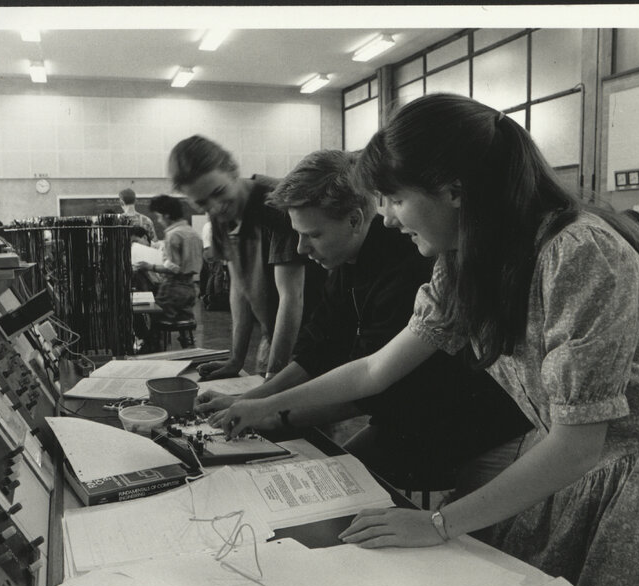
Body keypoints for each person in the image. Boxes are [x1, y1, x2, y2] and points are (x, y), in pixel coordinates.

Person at [209, 93, 639, 586]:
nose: (388, 218)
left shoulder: (577, 252)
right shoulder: (462, 260)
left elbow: (578, 444)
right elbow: (374, 369)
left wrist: (437, 523)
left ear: (454, 190)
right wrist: (263, 404)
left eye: (395, 199)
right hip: (594, 464)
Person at [196, 149, 533, 491]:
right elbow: (320, 347)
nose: (300, 249)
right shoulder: (347, 262)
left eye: (313, 235)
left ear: (356, 220)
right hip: (406, 417)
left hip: (470, 429)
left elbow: (371, 385)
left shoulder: (411, 267)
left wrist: (273, 414)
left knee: (345, 490)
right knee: (338, 482)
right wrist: (255, 400)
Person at [167, 135, 323, 380]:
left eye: (219, 192)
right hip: (272, 334)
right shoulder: (221, 215)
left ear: (232, 170)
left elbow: (292, 297)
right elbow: (239, 288)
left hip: (312, 338)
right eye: (202, 203)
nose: (216, 207)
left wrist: (274, 377)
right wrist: (235, 360)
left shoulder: (277, 205)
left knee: (296, 412)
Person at [136, 195, 204, 325]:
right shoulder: (193, 233)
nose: (159, 221)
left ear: (166, 215)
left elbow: (173, 268)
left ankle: (151, 344)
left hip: (173, 289)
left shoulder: (173, 235)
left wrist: (149, 266)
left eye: (159, 217)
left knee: (150, 320)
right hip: (191, 289)